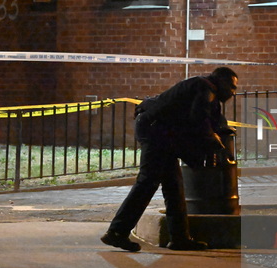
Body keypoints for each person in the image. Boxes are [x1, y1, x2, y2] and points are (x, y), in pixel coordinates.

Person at [101, 67, 238, 252]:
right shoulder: (205, 89)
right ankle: (116, 232)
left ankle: (179, 238)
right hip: (157, 133)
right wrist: (218, 146)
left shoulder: (205, 90)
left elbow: (210, 119)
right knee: (147, 182)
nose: (233, 91)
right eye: (231, 86)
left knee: (174, 186)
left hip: (163, 135)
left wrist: (219, 134)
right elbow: (200, 120)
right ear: (220, 81)